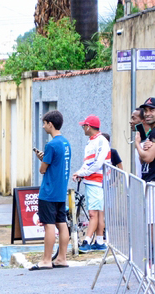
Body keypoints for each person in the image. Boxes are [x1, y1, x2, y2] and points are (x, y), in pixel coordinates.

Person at [32, 110, 72, 270]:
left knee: (48, 225)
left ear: (50, 124)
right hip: (61, 191)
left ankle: (46, 260)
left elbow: (43, 170)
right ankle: (62, 258)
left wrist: (42, 160)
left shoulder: (51, 145)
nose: (43, 127)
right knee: (61, 223)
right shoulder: (66, 143)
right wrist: (45, 159)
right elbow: (56, 163)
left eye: (44, 123)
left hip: (48, 192)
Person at [73, 114, 111, 251]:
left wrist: (81, 173)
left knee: (93, 213)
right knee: (98, 213)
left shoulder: (100, 141)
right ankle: (99, 242)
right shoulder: (94, 141)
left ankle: (87, 241)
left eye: (84, 126)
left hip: (96, 181)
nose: (83, 128)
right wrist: (80, 172)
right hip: (94, 181)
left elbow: (97, 164)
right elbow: (88, 163)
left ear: (88, 127)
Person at [136, 97, 155, 183]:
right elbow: (142, 160)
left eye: (152, 110)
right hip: (148, 181)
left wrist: (137, 143)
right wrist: (143, 149)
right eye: (145, 111)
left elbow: (148, 158)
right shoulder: (151, 132)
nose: (147, 114)